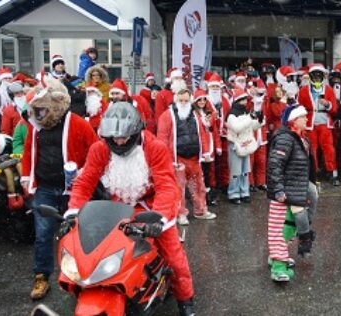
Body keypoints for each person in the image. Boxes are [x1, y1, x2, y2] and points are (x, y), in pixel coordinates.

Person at [64, 102, 196, 315]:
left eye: (124, 137)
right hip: (116, 208)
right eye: (113, 138)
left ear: (136, 132)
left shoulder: (154, 148)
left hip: (152, 206)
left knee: (174, 256)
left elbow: (166, 185)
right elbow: (85, 182)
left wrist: (158, 219)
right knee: (93, 252)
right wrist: (73, 212)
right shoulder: (100, 149)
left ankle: (185, 299)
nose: (118, 141)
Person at [21, 76, 98, 300]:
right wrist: (27, 176)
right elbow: (28, 151)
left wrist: (85, 172)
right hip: (45, 186)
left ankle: (84, 274)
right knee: (43, 234)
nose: (40, 113)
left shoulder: (77, 122)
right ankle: (42, 276)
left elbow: (96, 151)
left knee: (78, 234)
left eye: (44, 109)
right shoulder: (36, 125)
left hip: (73, 188)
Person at [267, 104, 318, 282]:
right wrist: (279, 189)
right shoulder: (285, 139)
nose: (306, 119)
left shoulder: (301, 138)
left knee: (289, 225)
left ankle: (277, 256)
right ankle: (278, 268)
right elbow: (275, 165)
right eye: (303, 116)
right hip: (284, 191)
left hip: (297, 190)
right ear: (293, 121)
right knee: (278, 229)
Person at [157, 88, 217, 223]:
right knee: (179, 189)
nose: (183, 103)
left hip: (194, 157)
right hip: (178, 158)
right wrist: (168, 159)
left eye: (186, 100)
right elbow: (162, 138)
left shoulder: (196, 115)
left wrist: (206, 152)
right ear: (176, 99)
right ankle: (180, 214)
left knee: (199, 186)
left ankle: (201, 210)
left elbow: (203, 134)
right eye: (181, 100)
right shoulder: (167, 115)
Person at [298, 64, 340, 185]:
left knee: (329, 149)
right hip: (310, 124)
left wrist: (327, 104)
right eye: (314, 76)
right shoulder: (304, 90)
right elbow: (300, 108)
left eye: (319, 76)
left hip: (325, 123)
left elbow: (334, 109)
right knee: (311, 150)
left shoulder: (329, 90)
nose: (317, 78)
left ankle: (332, 172)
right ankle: (313, 173)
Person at [226, 88, 262, 204]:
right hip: (235, 144)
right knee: (236, 171)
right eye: (243, 100)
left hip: (246, 144)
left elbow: (252, 127)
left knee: (245, 170)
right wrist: (250, 118)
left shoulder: (246, 113)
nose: (245, 102)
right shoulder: (231, 115)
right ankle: (233, 193)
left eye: (246, 100)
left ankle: (244, 192)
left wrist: (259, 121)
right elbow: (237, 128)